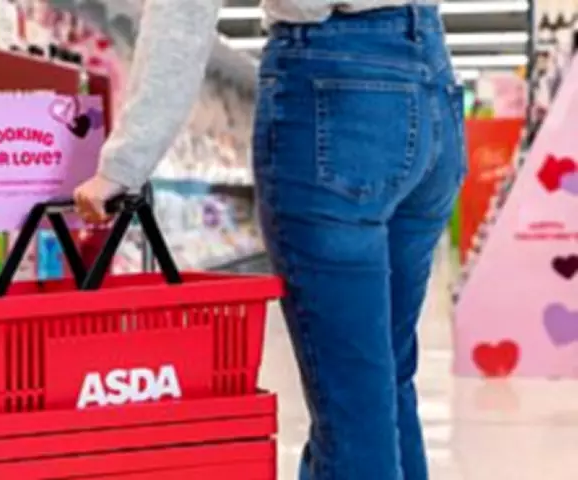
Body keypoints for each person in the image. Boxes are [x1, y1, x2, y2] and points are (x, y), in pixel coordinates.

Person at [74, 1, 465, 479]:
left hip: (335, 91)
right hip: (432, 87)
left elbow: (183, 12)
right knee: (384, 382)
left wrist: (124, 164)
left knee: (354, 405)